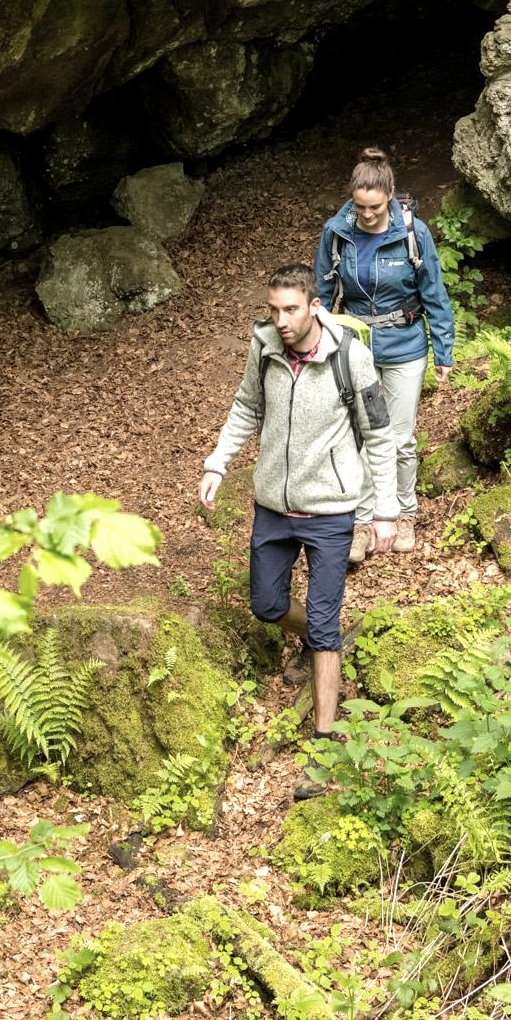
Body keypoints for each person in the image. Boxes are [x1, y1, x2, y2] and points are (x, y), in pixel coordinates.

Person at [198, 263, 395, 748]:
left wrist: (385, 510)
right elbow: (246, 406)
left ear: (314, 306)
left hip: (330, 510)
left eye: (290, 310)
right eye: (274, 310)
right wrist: (218, 463)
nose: (281, 321)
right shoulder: (264, 347)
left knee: (324, 629)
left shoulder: (351, 357)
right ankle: (325, 635)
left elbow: (378, 434)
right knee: (266, 605)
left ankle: (324, 741)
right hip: (273, 506)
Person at [316, 148, 455, 554]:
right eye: (360, 206)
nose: (367, 214)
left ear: (391, 195)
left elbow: (434, 293)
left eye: (375, 207)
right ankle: (361, 522)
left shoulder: (414, 233)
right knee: (358, 436)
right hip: (356, 347)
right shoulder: (336, 232)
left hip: (406, 346)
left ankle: (402, 513)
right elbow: (321, 294)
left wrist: (443, 350)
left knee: (400, 438)